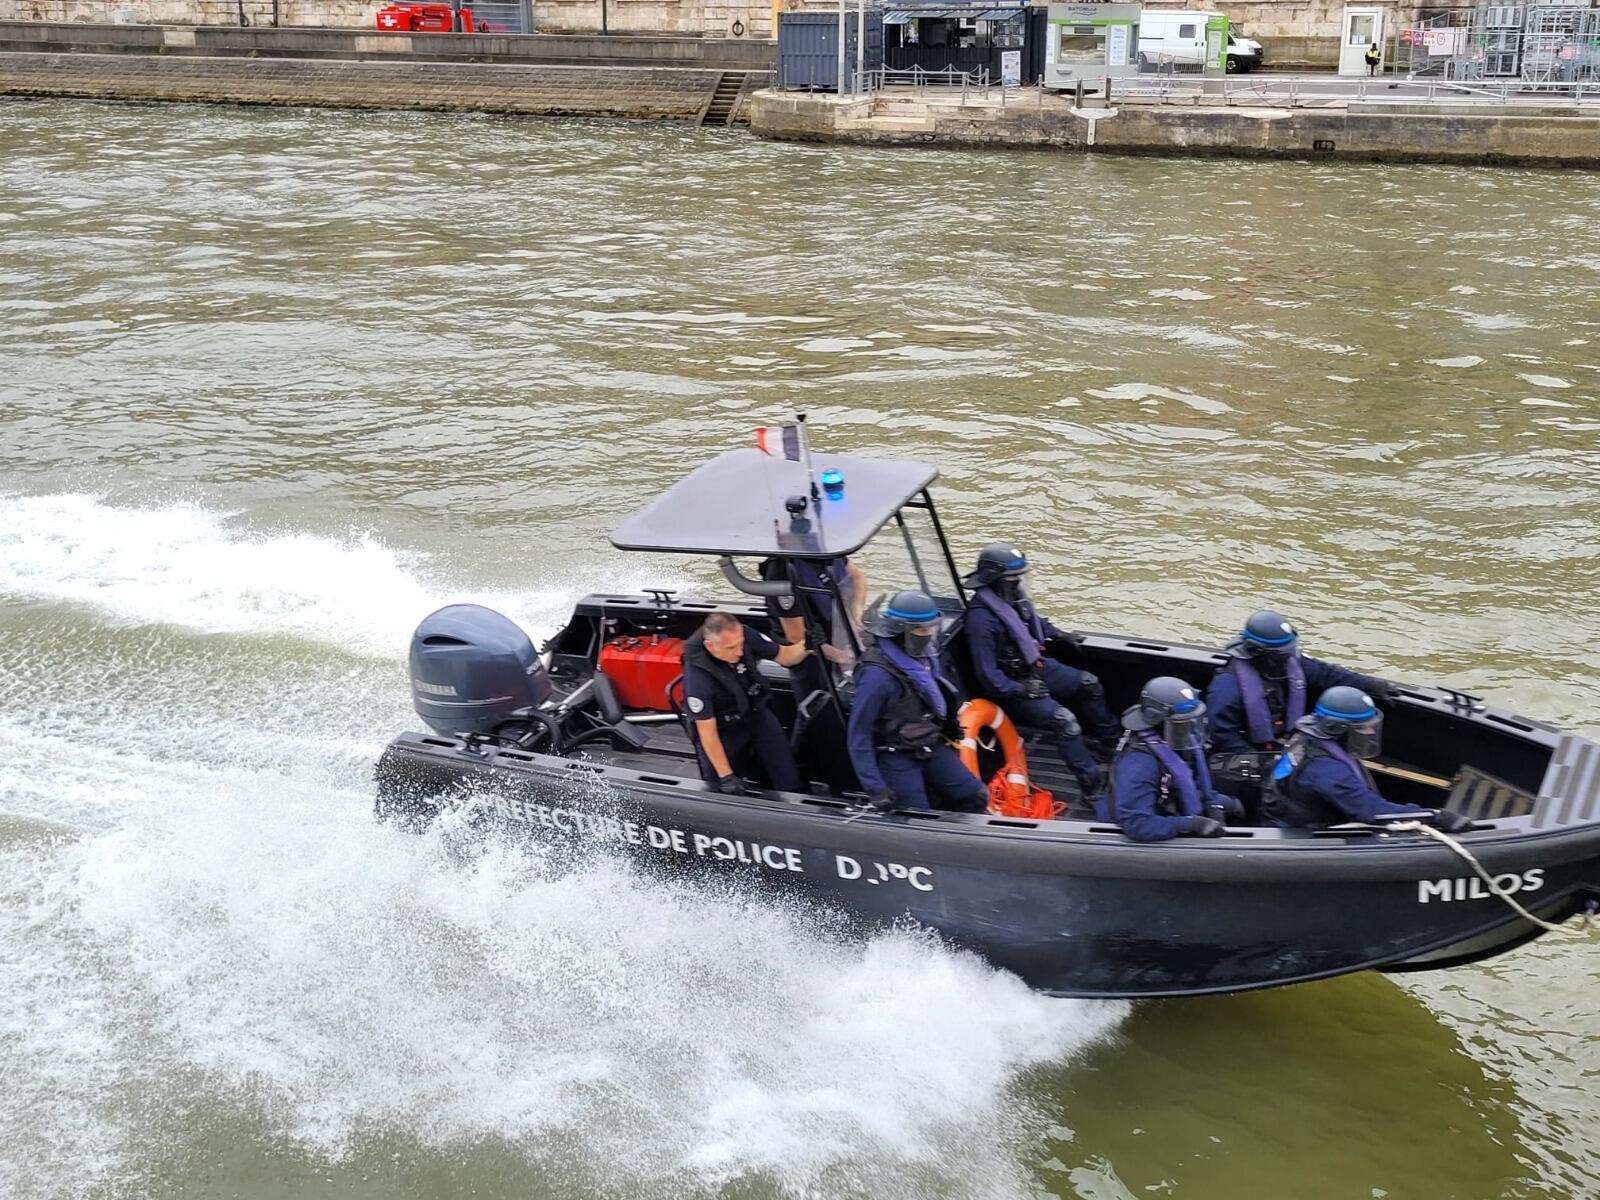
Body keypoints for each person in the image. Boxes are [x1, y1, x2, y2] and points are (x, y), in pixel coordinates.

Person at [962, 542, 1119, 795]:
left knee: (1089, 684)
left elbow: (1031, 623)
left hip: (1036, 667)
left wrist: (1058, 634)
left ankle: (1111, 744)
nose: (1018, 583)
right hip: (1013, 687)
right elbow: (988, 676)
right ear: (996, 580)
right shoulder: (981, 621)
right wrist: (1021, 689)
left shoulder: (1013, 599)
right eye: (1012, 578)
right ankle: (1092, 786)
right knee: (1064, 722)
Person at [1205, 610, 1399, 809]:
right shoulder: (1226, 688)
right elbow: (1223, 735)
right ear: (1258, 652)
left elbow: (1328, 674)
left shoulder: (1292, 664)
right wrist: (1262, 761)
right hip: (1243, 754)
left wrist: (1370, 684)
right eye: (1281, 655)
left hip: (1285, 744)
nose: (1288, 659)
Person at [847, 589, 990, 814]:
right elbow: (858, 735)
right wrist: (876, 788)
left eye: (932, 629)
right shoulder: (877, 678)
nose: (930, 636)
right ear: (902, 631)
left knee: (975, 796)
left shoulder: (924, 659)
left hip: (928, 742)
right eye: (923, 631)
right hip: (895, 754)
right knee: (916, 816)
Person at [1264, 685, 1471, 831]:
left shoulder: (1305, 739)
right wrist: (1433, 815)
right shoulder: (1328, 772)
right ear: (1338, 728)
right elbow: (1373, 812)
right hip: (1305, 830)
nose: (1371, 731)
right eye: (1364, 727)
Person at [1101, 676, 1246, 843]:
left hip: (1173, 802)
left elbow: (1192, 783)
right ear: (1158, 721)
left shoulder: (1179, 743)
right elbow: (1137, 824)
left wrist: (1220, 803)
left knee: (1235, 805)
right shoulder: (1139, 764)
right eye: (1182, 724)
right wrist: (1189, 825)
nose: (1191, 729)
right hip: (1152, 820)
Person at [681, 611, 809, 795]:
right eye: (731, 648)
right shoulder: (698, 677)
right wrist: (726, 776)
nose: (740, 652)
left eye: (740, 644)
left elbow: (786, 656)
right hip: (722, 728)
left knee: (786, 770)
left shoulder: (743, 634)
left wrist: (810, 644)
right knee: (721, 786)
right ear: (711, 646)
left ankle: (795, 799)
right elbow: (706, 731)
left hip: (753, 711)